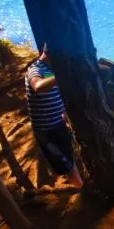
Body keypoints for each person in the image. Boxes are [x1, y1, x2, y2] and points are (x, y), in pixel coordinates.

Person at [25, 44, 83, 188]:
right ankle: (83, 190)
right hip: (46, 130)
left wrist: (64, 112)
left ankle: (81, 185)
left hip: (59, 124)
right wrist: (62, 76)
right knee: (64, 163)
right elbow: (37, 86)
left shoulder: (51, 70)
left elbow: (56, 94)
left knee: (69, 158)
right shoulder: (35, 70)